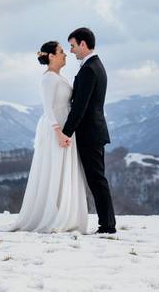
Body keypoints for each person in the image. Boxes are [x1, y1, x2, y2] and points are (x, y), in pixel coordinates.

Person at [10, 40, 89, 233]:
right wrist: (58, 132)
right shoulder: (48, 79)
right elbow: (48, 108)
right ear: (51, 56)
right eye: (62, 51)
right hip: (56, 128)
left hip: (65, 127)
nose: (65, 54)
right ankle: (51, 216)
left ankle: (64, 214)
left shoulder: (58, 77)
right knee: (53, 169)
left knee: (63, 170)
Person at [59, 27, 117, 234]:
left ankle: (108, 225)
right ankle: (107, 223)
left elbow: (80, 107)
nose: (71, 50)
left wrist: (65, 132)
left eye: (73, 46)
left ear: (83, 44)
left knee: (96, 179)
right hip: (94, 132)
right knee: (96, 179)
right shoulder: (95, 65)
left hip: (90, 134)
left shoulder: (90, 69)